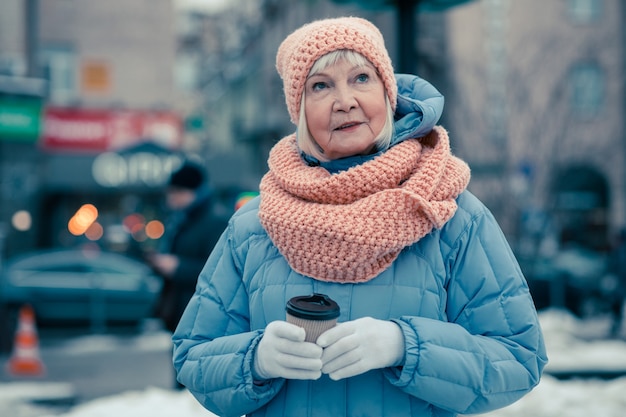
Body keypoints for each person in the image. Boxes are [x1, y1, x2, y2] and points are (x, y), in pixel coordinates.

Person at [172, 17, 547, 417]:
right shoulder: (253, 226)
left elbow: (517, 357)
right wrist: (254, 360)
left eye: (361, 78)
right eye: (320, 86)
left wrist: (406, 345)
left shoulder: (451, 214)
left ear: (387, 93)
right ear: (298, 110)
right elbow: (193, 356)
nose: (345, 100)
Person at [147, 161, 225, 334]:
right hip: (181, 311)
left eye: (175, 192)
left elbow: (218, 272)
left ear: (191, 192)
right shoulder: (181, 220)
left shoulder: (214, 221)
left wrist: (177, 267)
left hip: (200, 314)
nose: (170, 198)